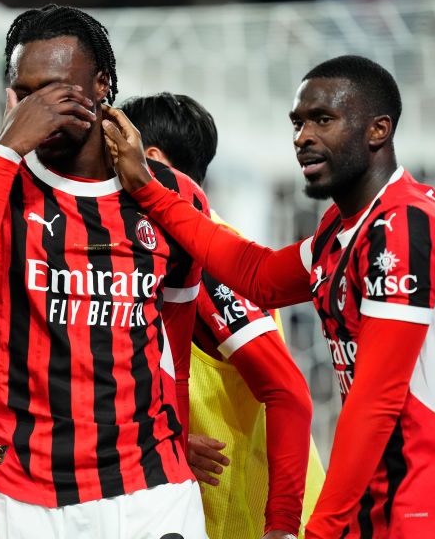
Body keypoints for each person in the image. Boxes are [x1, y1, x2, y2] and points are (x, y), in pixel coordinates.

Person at [102, 56, 435, 538]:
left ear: (378, 129)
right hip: (377, 506)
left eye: (323, 119)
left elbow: (376, 400)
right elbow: (257, 274)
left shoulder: (405, 228)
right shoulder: (340, 233)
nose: (302, 138)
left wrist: (309, 529)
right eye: (297, 123)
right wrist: (151, 190)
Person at [0, 4, 211, 539]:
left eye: (56, 91)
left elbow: (176, 346)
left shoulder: (169, 193)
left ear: (102, 86)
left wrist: (179, 434)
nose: (39, 109)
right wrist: (7, 148)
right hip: (29, 496)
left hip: (153, 489)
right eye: (24, 95)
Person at [121, 93, 323, 539]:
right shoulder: (152, 250)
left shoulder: (207, 255)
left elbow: (289, 393)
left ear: (149, 160)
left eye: (112, 150)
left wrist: (283, 529)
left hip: (259, 523)